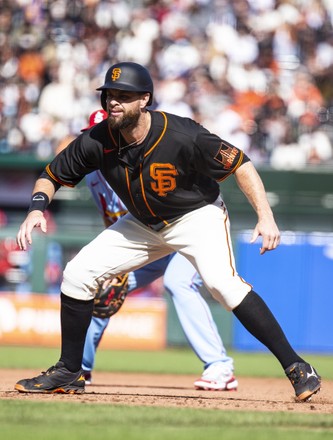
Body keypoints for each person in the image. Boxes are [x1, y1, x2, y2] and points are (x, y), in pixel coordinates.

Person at [15, 61, 321, 401]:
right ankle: (70, 371)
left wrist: (265, 216)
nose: (113, 101)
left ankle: (297, 367)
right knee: (77, 274)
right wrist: (36, 209)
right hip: (144, 224)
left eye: (123, 96)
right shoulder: (97, 140)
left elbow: (240, 163)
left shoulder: (182, 134)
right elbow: (51, 174)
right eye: (109, 95)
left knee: (223, 285)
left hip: (196, 217)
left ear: (144, 99)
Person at [81, 110, 238, 391]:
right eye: (91, 135)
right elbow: (113, 221)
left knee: (178, 282)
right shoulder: (94, 176)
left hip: (183, 232)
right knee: (98, 284)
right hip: (147, 242)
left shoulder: (140, 159)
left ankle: (220, 366)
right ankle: (80, 368)